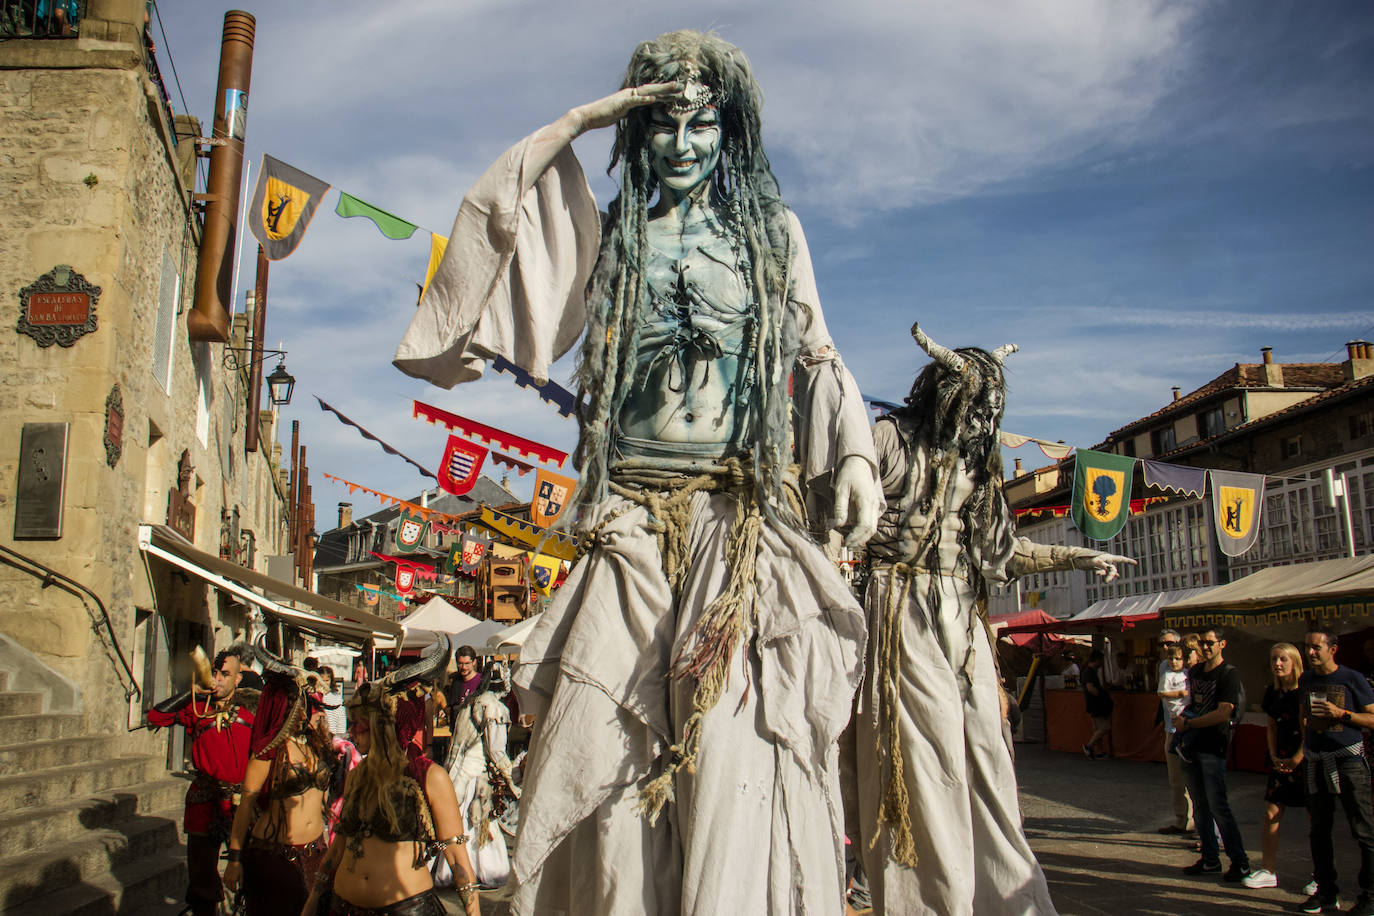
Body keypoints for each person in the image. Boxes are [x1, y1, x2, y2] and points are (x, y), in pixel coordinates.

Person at [393, 30, 883, 914]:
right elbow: (496, 218)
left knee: (735, 758)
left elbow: (816, 353)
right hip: (627, 523)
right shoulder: (611, 238)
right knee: (606, 764)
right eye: (661, 125)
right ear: (636, 132)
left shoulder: (773, 235)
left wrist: (851, 450)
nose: (684, 144)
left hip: (737, 528)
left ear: (730, 129)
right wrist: (584, 119)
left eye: (702, 124)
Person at [852, 327, 1133, 915]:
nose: (981, 417)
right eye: (971, 402)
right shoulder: (888, 438)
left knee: (987, 760)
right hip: (898, 606)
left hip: (963, 617)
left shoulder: (982, 466)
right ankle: (930, 902)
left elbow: (1002, 551)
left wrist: (1080, 554)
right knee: (924, 764)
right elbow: (834, 505)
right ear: (942, 391)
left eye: (989, 406)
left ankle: (1008, 901)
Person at [302, 636, 483, 916]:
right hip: (344, 907)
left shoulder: (429, 776)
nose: (352, 734)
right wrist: (312, 902)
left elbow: (457, 855)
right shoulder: (358, 774)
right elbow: (339, 846)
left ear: (385, 726)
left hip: (406, 908)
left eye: (360, 727)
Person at [222, 640, 337, 915]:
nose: (311, 709)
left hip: (316, 854)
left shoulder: (315, 747)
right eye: (304, 703)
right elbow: (245, 809)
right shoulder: (267, 754)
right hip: (275, 857)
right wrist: (235, 860)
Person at [146, 644, 257, 916]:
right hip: (204, 801)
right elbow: (155, 717)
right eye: (216, 672)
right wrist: (190, 693)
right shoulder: (196, 709)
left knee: (251, 871)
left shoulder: (250, 713)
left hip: (241, 804)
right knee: (202, 876)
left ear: (238, 679)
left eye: (225, 674)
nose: (218, 679)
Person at [1298, 628, 1374, 915]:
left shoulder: (1351, 678)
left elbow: (1373, 718)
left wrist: (1342, 714)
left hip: (1349, 761)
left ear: (1333, 649)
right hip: (1316, 760)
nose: (1311, 652)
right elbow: (1303, 716)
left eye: (1316, 647)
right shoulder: (1306, 679)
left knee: (1363, 829)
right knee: (1318, 830)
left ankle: (1370, 895)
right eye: (1307, 647)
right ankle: (1326, 892)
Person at [1173, 627, 1250, 882]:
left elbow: (1224, 711)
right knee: (1200, 807)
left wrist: (1191, 724)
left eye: (1210, 643)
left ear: (1222, 644)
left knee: (1218, 806)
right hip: (1193, 745)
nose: (1206, 647)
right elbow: (1193, 703)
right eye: (1202, 644)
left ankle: (1239, 862)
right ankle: (1209, 859)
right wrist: (1184, 720)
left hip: (1213, 747)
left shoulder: (1228, 675)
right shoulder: (1195, 672)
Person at [444, 659, 519, 888]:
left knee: (461, 824)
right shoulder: (494, 707)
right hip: (477, 775)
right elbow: (496, 750)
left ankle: (457, 871)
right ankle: (481, 871)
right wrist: (511, 777)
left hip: (459, 774)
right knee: (477, 824)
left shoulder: (472, 701)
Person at [1241, 642, 1305, 890]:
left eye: (1282, 659)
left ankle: (1321, 876)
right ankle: (1268, 869)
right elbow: (1271, 726)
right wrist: (1273, 753)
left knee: (1316, 818)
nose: (1277, 664)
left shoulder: (1304, 692)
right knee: (1271, 814)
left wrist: (1298, 757)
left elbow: (1308, 729)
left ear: (1294, 662)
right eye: (1273, 660)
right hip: (1280, 757)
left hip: (1304, 759)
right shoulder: (1272, 692)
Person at [1156, 644, 1192, 835]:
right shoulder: (1166, 673)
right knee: (1177, 778)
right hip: (1173, 728)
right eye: (1171, 658)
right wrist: (1179, 694)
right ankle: (1182, 819)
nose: (1174, 661)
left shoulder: (1189, 674)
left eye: (1178, 657)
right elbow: (1161, 693)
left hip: (1191, 727)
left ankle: (1194, 821)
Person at [1082, 649, 1114, 759]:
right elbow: (1090, 688)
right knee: (1105, 727)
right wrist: (1102, 696)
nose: (1102, 663)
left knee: (1098, 728)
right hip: (1097, 704)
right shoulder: (1089, 672)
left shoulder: (1091, 672)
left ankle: (1099, 751)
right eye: (1101, 660)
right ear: (1097, 660)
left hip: (1094, 704)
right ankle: (1089, 745)